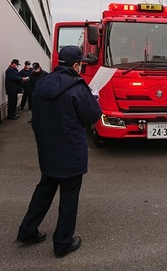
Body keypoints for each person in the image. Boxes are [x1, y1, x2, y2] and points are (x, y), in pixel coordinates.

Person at [16, 46, 102, 258]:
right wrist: (94, 98)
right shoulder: (77, 87)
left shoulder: (42, 82)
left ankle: (27, 231)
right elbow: (92, 116)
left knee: (44, 189)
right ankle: (63, 242)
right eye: (80, 63)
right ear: (75, 65)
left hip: (48, 149)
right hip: (71, 152)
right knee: (69, 196)